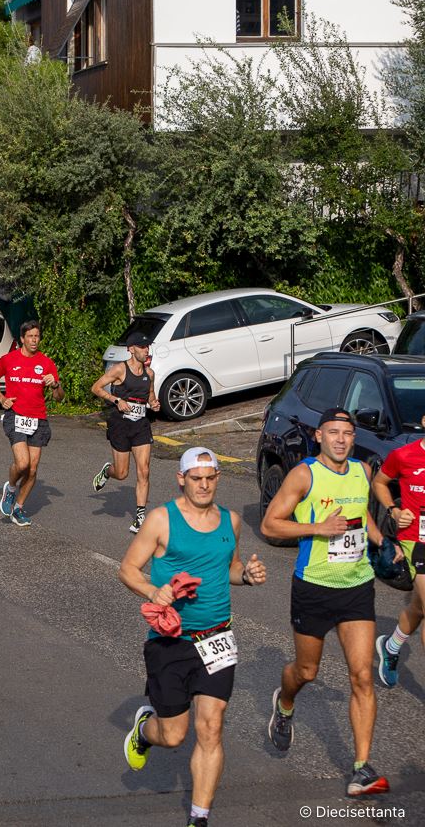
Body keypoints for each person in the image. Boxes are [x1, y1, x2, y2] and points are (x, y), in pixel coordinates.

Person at [119, 448, 267, 827]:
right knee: (173, 735)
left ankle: (198, 817)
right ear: (181, 479)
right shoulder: (161, 520)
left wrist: (246, 576)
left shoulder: (229, 522)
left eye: (210, 477)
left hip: (217, 638)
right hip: (170, 641)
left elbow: (230, 568)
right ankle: (144, 732)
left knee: (212, 725)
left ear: (218, 477)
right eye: (196, 478)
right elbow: (129, 569)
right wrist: (154, 592)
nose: (204, 484)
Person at [260, 408, 390, 797]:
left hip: (356, 586)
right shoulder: (304, 474)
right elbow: (270, 524)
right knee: (306, 672)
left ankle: (361, 767)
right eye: (333, 432)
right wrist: (317, 527)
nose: (340, 439)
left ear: (353, 438)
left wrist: (382, 541)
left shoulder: (362, 472)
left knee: (362, 676)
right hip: (314, 587)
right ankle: (284, 704)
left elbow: (361, 512)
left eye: (347, 433)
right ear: (319, 436)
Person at [0, 320, 64, 527]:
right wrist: (2, 399)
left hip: (38, 419)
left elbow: (59, 398)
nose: (34, 340)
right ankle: (11, 488)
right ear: (22, 339)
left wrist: (55, 385)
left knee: (32, 469)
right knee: (23, 464)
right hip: (15, 416)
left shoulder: (47, 363)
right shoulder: (8, 360)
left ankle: (19, 509)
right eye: (30, 336)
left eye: (37, 336)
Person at [371, 418, 425, 688]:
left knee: (419, 606)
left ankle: (391, 647)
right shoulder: (404, 455)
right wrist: (394, 510)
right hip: (418, 540)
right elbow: (380, 482)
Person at [91, 333, 162, 533]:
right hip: (120, 425)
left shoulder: (150, 373)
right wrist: (116, 400)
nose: (145, 349)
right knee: (122, 473)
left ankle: (140, 516)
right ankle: (107, 471)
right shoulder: (120, 369)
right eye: (141, 347)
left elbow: (150, 397)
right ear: (131, 349)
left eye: (147, 346)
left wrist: (153, 404)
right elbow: (96, 387)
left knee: (144, 470)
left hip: (141, 425)